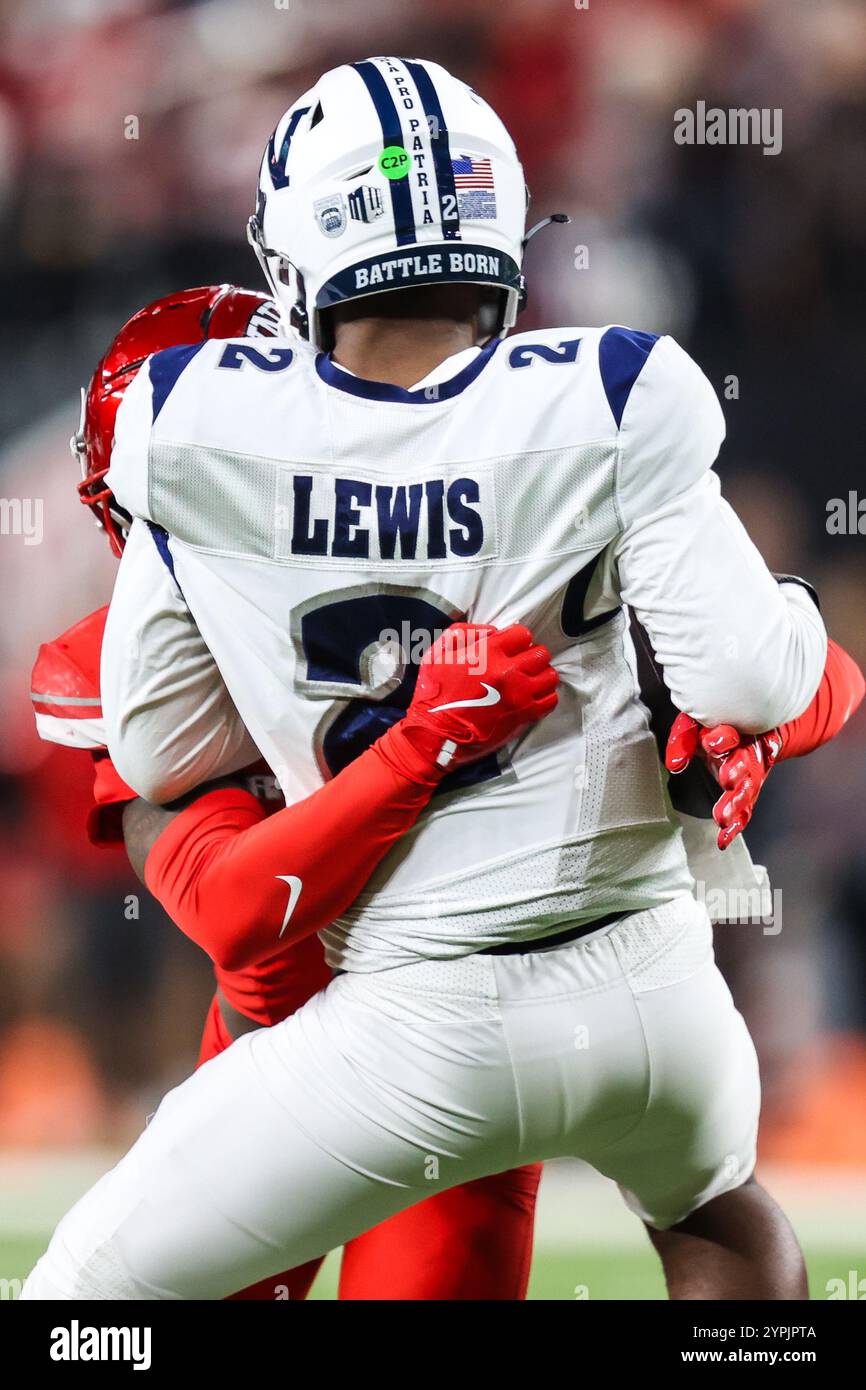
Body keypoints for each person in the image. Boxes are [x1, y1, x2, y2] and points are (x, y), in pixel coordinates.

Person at [21, 56, 858, 1302]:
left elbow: (162, 760)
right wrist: (760, 718)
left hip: (407, 1031)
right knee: (714, 1206)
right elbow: (759, 668)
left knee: (76, 1307)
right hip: (647, 996)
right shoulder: (606, 396)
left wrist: (719, 726)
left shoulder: (192, 434)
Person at [30, 283, 552, 1301]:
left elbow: (769, 666)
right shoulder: (131, 681)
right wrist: (422, 745)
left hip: (455, 1052)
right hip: (272, 1072)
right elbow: (239, 918)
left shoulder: (490, 576)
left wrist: (765, 683)